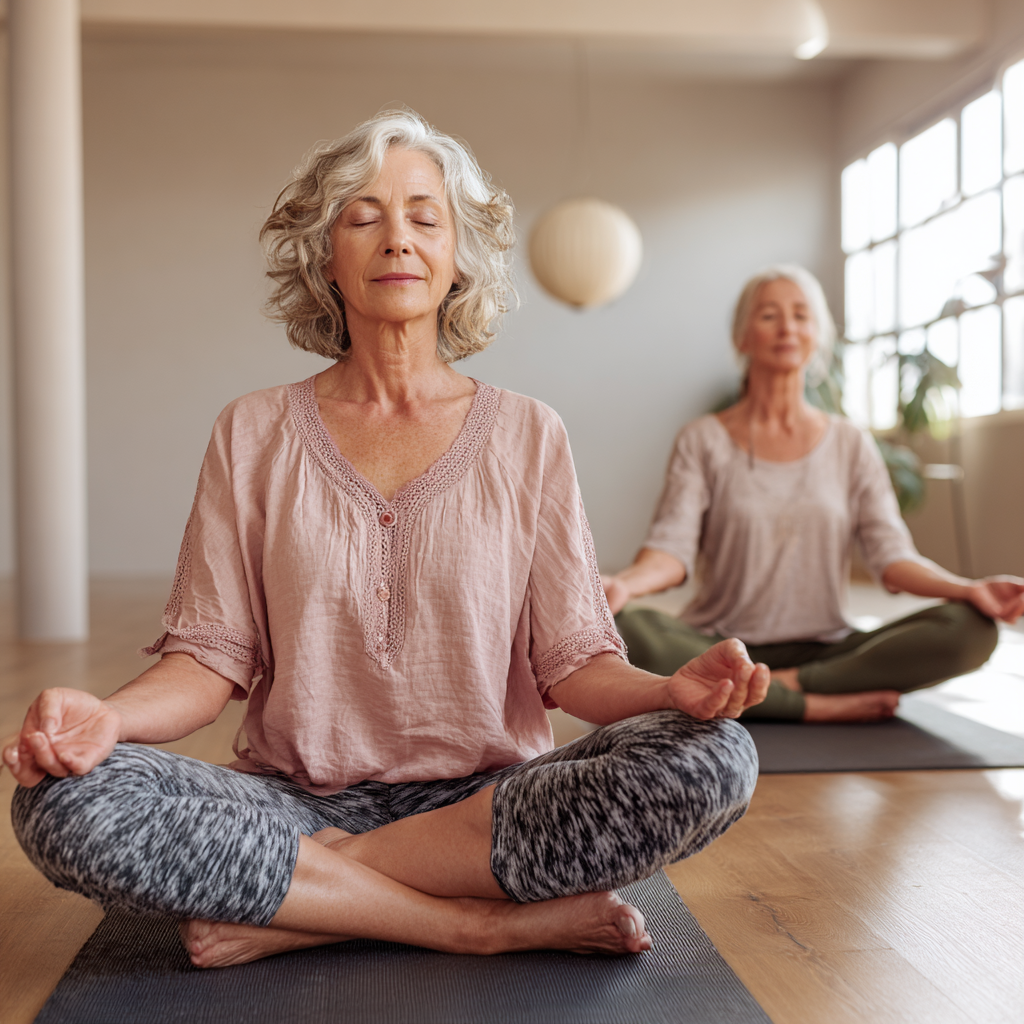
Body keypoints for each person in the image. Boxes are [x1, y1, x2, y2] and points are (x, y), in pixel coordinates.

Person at [3, 111, 768, 970]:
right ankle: (472, 923)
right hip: (291, 806)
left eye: (424, 218)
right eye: (363, 217)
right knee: (61, 799)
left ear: (458, 258)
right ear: (323, 257)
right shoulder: (251, 431)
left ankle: (310, 899)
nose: (396, 238)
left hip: (491, 807)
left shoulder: (528, 433)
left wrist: (672, 691)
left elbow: (575, 666)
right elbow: (206, 664)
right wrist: (104, 720)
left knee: (716, 757)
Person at [606, 265, 1024, 723]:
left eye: (801, 316)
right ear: (742, 336)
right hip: (718, 645)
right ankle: (816, 704)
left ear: (817, 335)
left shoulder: (850, 442)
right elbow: (670, 551)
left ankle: (779, 687)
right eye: (769, 315)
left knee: (971, 629)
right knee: (622, 628)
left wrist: (969, 589)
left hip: (825, 648)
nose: (787, 327)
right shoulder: (703, 438)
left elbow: (892, 560)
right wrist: (624, 584)